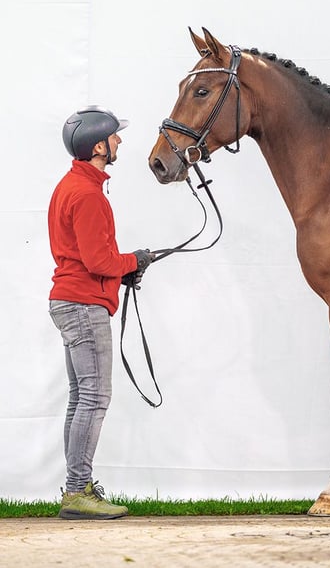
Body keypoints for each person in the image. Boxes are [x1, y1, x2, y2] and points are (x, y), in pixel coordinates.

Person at [48, 105, 155, 520]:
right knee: (94, 398)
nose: (120, 141)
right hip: (83, 305)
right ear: (98, 145)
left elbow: (88, 257)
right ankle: (78, 493)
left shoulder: (71, 186)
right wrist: (134, 260)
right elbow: (98, 261)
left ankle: (77, 488)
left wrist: (121, 270)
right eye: (114, 137)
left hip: (70, 299)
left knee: (81, 398)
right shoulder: (88, 194)